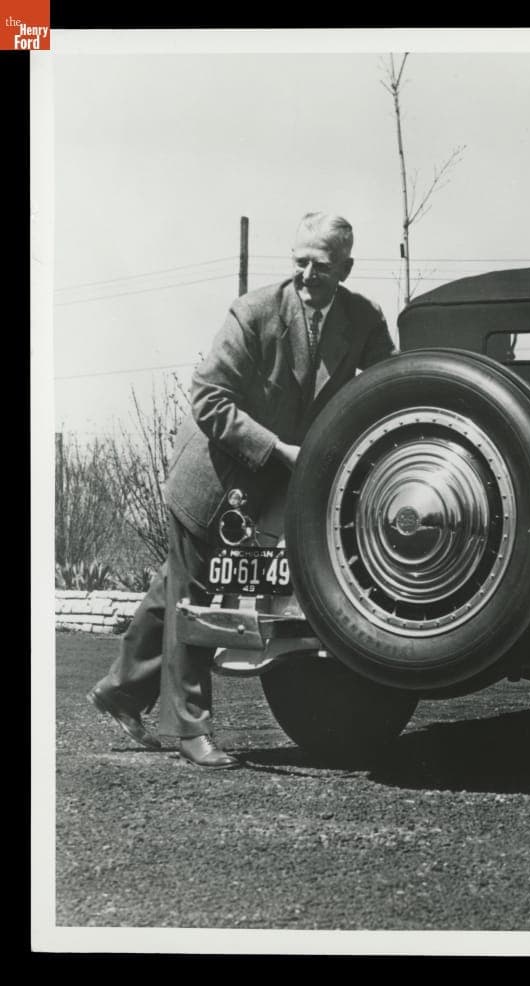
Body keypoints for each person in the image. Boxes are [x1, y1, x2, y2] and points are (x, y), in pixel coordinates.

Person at [87, 213, 397, 768]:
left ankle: (120, 689)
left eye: (321, 266)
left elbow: (387, 386)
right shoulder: (253, 313)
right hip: (214, 475)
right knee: (193, 595)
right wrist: (279, 450)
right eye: (299, 261)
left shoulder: (363, 318)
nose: (307, 275)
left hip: (273, 483)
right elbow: (208, 399)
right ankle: (190, 730)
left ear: (346, 268)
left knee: (176, 583)